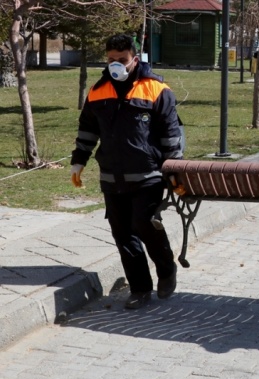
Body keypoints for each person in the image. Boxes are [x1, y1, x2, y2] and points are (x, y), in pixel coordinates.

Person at [70, 33, 183, 309]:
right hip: (111, 176)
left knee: (144, 224)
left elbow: (171, 134)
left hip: (148, 176)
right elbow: (87, 130)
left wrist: (175, 170)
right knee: (122, 233)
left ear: (134, 58)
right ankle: (140, 288)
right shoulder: (98, 91)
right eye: (110, 59)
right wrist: (79, 161)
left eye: (121, 60)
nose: (115, 65)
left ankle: (166, 269)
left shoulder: (156, 90)